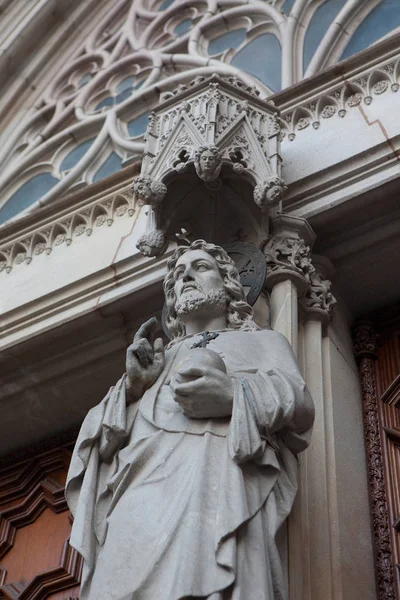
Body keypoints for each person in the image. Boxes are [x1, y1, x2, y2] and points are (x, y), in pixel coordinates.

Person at [66, 239, 314, 600]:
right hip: (141, 489)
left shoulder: (264, 342)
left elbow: (299, 404)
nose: (186, 278)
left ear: (229, 285)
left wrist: (232, 395)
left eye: (200, 268)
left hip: (215, 482)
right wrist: (133, 390)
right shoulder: (156, 360)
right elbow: (96, 442)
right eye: (178, 275)